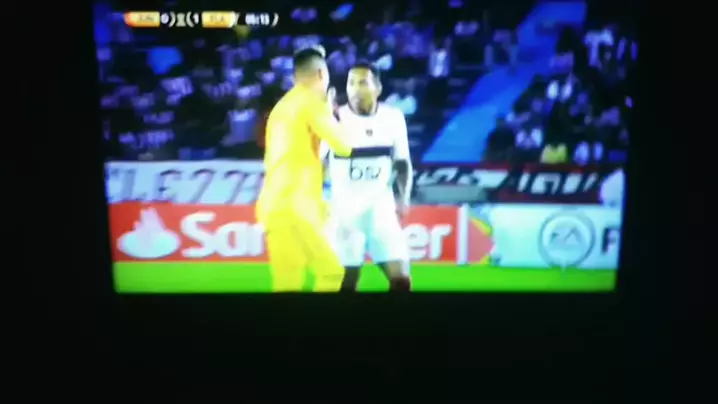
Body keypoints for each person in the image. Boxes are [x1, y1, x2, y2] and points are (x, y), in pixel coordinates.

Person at [256, 46, 354, 293]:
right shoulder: (312, 102)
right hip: (297, 207)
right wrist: (330, 113)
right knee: (331, 272)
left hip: (273, 205)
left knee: (288, 282)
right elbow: (344, 146)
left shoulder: (281, 107)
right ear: (321, 74)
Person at [321, 62, 413, 292]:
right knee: (346, 283)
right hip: (345, 215)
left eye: (362, 82)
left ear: (378, 88)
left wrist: (403, 199)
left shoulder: (393, 118)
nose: (355, 89)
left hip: (381, 211)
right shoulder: (334, 119)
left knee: (402, 281)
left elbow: (402, 163)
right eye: (351, 83)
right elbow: (316, 164)